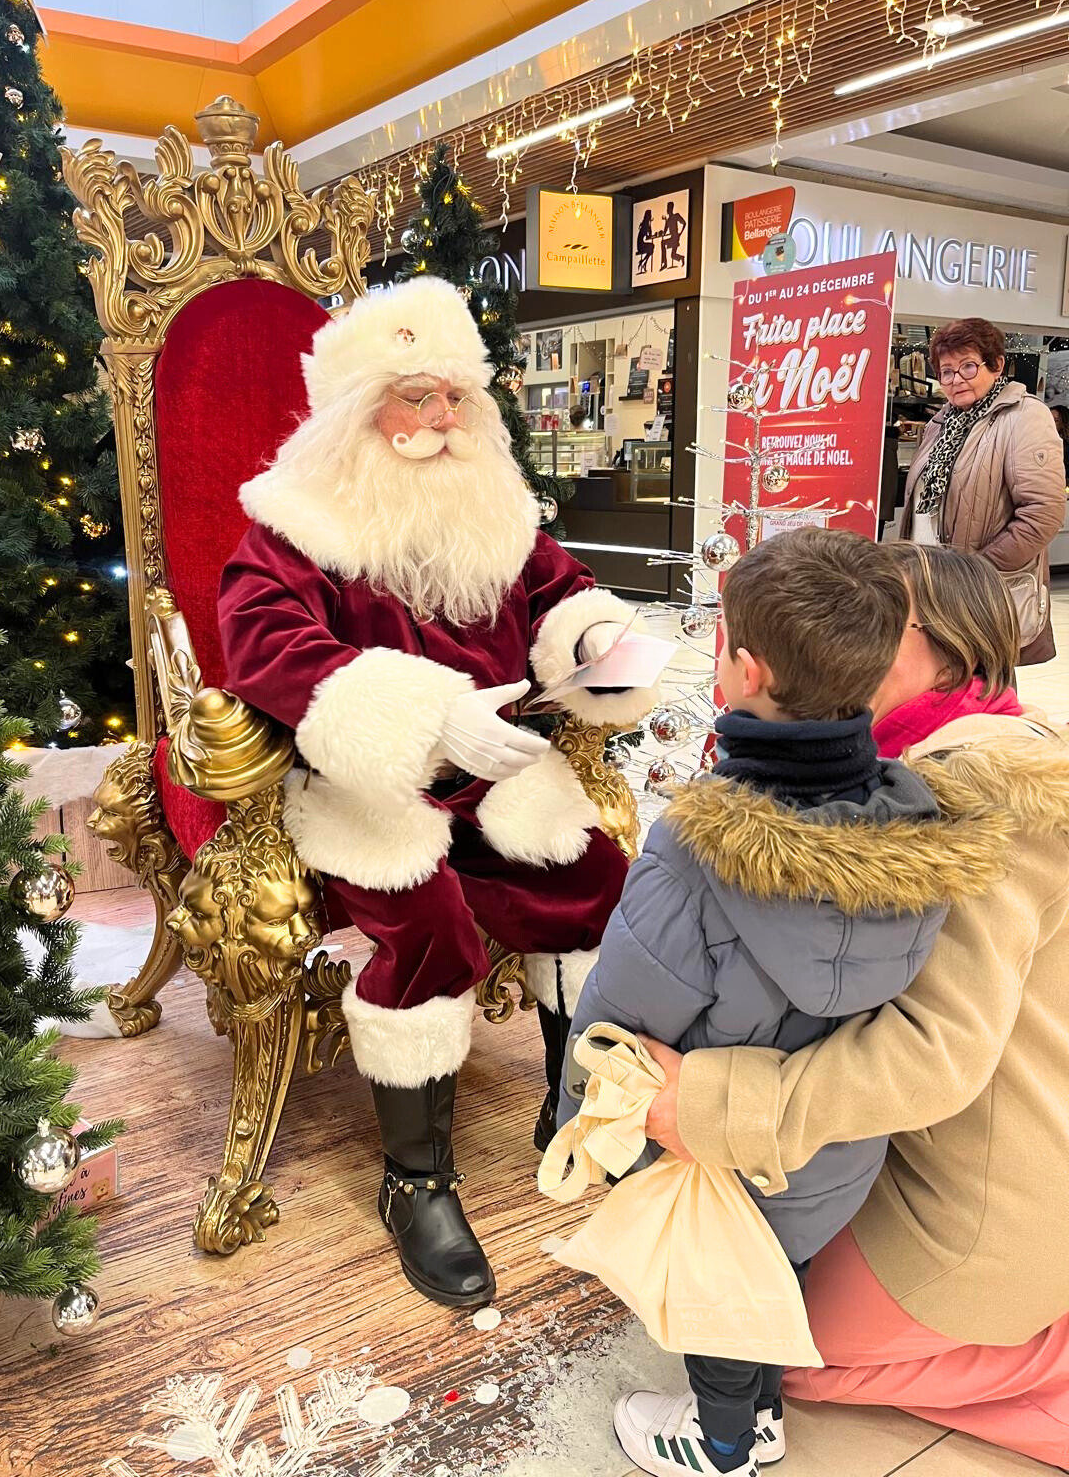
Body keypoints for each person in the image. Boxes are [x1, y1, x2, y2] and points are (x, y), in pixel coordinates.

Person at [217, 277, 664, 1311]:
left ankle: (575, 1103)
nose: (435, 423)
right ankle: (415, 1180)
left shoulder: (492, 507)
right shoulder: (297, 522)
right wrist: (424, 717)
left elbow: (562, 592)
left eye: (452, 398)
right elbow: (265, 646)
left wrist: (599, 645)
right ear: (353, 413)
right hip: (371, 787)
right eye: (409, 400)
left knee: (600, 884)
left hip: (500, 776)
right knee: (429, 931)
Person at [559, 528, 999, 1477]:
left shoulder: (694, 855)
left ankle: (725, 1441)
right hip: (832, 1157)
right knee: (777, 1273)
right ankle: (758, 1412)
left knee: (721, 1303)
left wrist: (576, 1124)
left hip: (715, 1156)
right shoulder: (919, 826)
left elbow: (623, 1019)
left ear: (743, 671)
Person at [640, 543, 1069, 1470]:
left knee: (773, 1346)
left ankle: (1042, 1369)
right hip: (986, 1168)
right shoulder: (946, 755)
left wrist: (711, 1106)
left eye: (881, 619)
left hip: (979, 1221)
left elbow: (933, 1054)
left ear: (949, 656)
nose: (849, 635)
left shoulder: (966, 793)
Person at [897, 317, 1064, 664]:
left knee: (982, 688)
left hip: (980, 591)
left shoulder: (1024, 416)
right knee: (936, 684)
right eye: (946, 371)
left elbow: (1042, 514)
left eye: (968, 367)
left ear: (996, 364)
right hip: (929, 582)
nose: (956, 379)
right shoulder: (940, 423)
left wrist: (977, 572)